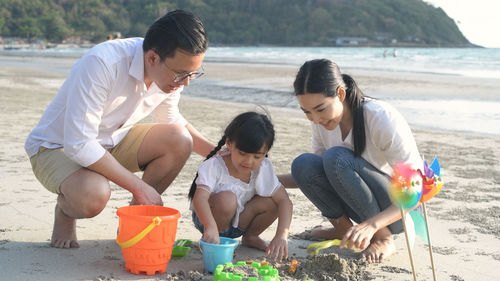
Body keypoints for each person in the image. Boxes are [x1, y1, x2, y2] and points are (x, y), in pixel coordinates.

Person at [25, 10, 215, 249]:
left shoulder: (169, 76)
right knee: (93, 196)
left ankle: (134, 222)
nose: (186, 82)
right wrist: (140, 187)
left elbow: (170, 118)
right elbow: (79, 144)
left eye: (192, 74)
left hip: (111, 140)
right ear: (153, 58)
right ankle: (65, 210)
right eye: (181, 74)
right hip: (56, 147)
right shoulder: (103, 62)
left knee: (180, 140)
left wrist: (217, 152)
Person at [278, 59, 423, 263]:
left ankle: (384, 238)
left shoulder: (380, 117)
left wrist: (374, 225)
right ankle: (344, 231)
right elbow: (313, 175)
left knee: (336, 158)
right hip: (360, 206)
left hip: (398, 211)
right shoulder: (321, 121)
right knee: (303, 164)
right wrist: (263, 178)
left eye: (320, 109)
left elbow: (417, 189)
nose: (315, 119)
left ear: (340, 93)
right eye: (307, 112)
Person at [188, 111, 293, 261]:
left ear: (265, 152)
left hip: (240, 220)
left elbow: (285, 201)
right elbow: (200, 199)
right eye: (243, 154)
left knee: (274, 201)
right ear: (229, 144)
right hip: (209, 218)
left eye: (257, 156)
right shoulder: (214, 166)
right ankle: (213, 239)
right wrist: (209, 226)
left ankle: (251, 237)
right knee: (227, 199)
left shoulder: (262, 168)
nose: (249, 162)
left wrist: (281, 235)